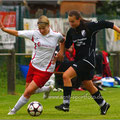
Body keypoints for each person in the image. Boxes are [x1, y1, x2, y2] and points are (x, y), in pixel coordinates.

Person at [55, 10, 120, 115]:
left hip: (88, 60)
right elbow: (66, 45)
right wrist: (61, 52)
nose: (71, 24)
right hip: (80, 61)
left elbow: (108, 24)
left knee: (66, 76)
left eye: (73, 21)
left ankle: (66, 104)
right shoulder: (71, 31)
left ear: (79, 19)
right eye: (69, 22)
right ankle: (103, 104)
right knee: (88, 85)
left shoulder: (89, 26)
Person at [0, 15, 65, 115]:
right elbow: (18, 33)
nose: (41, 30)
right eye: (40, 28)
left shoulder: (56, 35)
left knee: (27, 92)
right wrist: (4, 29)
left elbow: (63, 40)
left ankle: (13, 111)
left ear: (48, 26)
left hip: (45, 70)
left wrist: (61, 52)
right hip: (33, 66)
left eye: (43, 28)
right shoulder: (35, 34)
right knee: (29, 90)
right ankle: (47, 89)